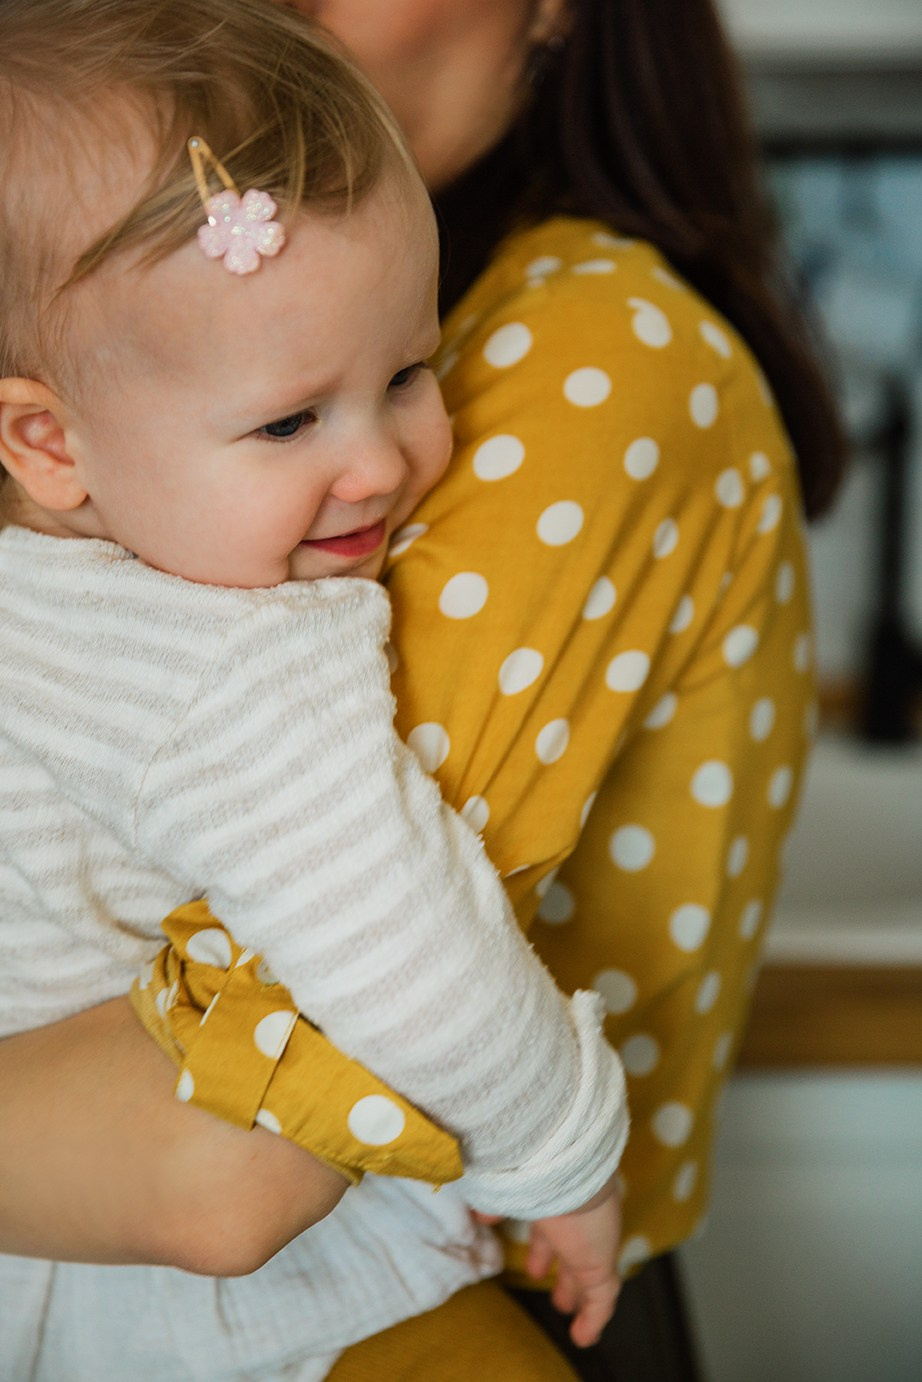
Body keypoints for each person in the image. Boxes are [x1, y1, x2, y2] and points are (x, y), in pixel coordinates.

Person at [0, 0, 847, 1377]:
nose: (385, 463)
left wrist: (561, 1151)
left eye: (410, 377)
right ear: (46, 436)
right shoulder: (172, 528)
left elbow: (226, 1166)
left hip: (411, 1302)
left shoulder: (597, 348)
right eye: (289, 417)